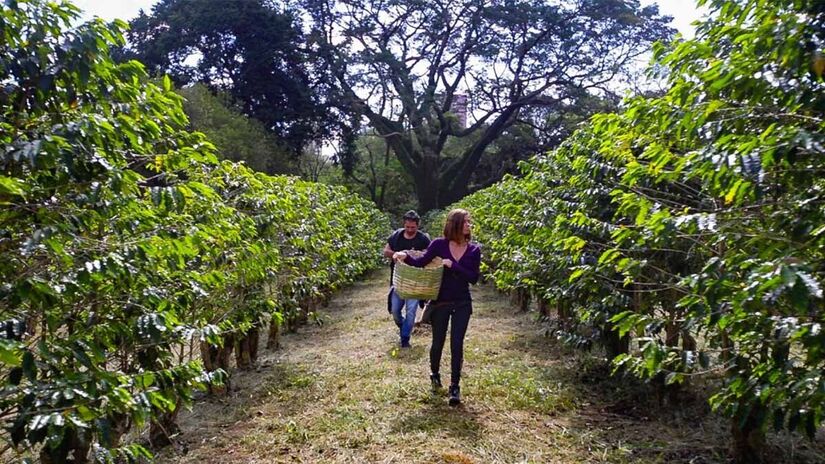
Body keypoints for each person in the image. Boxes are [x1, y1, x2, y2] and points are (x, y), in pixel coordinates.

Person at [393, 208, 480, 406]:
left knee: (457, 343)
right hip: (441, 302)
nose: (469, 225)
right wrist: (404, 256)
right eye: (466, 222)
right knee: (438, 341)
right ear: (455, 224)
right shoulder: (439, 245)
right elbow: (421, 262)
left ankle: (455, 387)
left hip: (463, 302)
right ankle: (434, 373)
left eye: (469, 222)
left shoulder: (474, 250)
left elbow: (474, 278)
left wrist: (453, 265)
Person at [383, 210, 431, 348]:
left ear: (418, 226)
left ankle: (405, 339)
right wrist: (397, 255)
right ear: (404, 224)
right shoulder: (396, 236)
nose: (410, 230)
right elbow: (386, 251)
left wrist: (414, 255)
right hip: (398, 280)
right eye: (407, 227)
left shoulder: (423, 239)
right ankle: (404, 326)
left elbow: (430, 255)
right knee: (396, 311)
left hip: (415, 281)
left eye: (413, 228)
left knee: (411, 311)